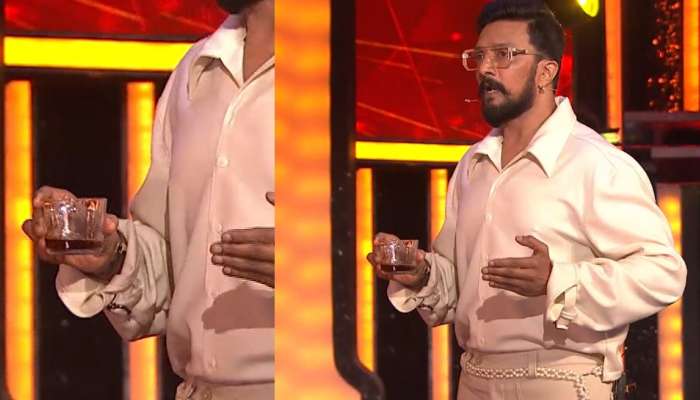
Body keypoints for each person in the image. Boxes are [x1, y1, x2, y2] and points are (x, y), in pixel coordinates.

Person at [368, 1, 686, 399]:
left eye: (503, 55)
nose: (485, 69)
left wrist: (558, 279)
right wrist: (421, 274)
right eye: (479, 57)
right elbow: (461, 291)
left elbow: (663, 273)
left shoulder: (595, 163)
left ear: (546, 72)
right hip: (474, 379)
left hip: (562, 381)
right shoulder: (473, 165)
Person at [21, 0, 275, 398]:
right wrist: (112, 255)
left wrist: (322, 272)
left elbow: (379, 252)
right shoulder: (194, 69)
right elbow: (175, 263)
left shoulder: (347, 73)